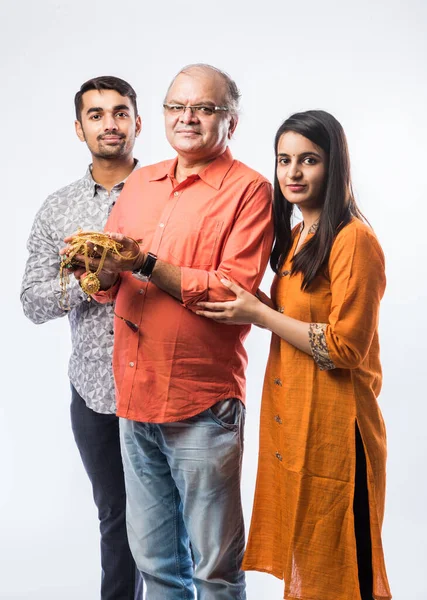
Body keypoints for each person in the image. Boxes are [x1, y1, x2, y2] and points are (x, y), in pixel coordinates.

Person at [65, 63, 274, 600]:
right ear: (160, 115)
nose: (187, 118)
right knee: (156, 564)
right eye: (176, 107)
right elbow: (111, 281)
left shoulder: (249, 191)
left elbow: (234, 289)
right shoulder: (141, 181)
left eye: (203, 108)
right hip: (133, 403)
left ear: (230, 119)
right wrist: (98, 268)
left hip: (201, 404)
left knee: (214, 571)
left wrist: (147, 262)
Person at [196, 110, 392, 600]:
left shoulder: (354, 240)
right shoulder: (297, 236)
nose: (293, 173)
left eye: (309, 160)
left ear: (336, 166)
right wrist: (253, 302)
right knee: (307, 560)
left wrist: (262, 316)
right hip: (296, 421)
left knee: (344, 565)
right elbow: (301, 317)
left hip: (339, 430)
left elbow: (345, 346)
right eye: (284, 160)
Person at [21, 76, 143, 600]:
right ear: (79, 128)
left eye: (120, 112)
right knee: (116, 519)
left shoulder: (169, 192)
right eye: (96, 115)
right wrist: (90, 279)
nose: (109, 123)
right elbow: (31, 301)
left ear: (138, 122)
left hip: (167, 384)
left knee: (175, 522)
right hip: (95, 390)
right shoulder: (58, 208)